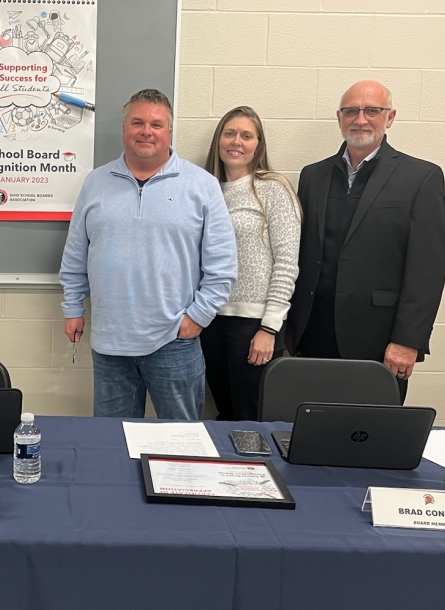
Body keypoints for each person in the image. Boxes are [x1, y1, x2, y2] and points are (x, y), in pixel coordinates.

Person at [59, 89, 237, 420]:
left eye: (156, 124)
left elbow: (223, 267)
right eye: (137, 122)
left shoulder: (201, 185)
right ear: (124, 128)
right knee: (113, 445)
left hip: (175, 341)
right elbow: (75, 255)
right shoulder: (95, 183)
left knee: (182, 444)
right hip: (110, 344)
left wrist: (197, 317)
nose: (146, 131)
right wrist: (72, 307)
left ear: (169, 131)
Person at [288, 80, 445, 401]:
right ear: (339, 117)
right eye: (351, 111)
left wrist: (408, 340)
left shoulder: (421, 177)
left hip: (378, 340)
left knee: (368, 439)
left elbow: (427, 270)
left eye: (372, 110)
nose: (360, 119)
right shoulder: (312, 176)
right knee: (307, 434)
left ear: (389, 117)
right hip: (311, 334)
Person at [200, 106, 301, 421]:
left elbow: (287, 262)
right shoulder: (205, 190)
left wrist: (269, 328)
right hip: (210, 320)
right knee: (224, 414)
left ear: (258, 144)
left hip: (253, 325)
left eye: (246, 135)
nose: (236, 142)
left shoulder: (273, 188)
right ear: (219, 140)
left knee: (251, 418)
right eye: (229, 133)